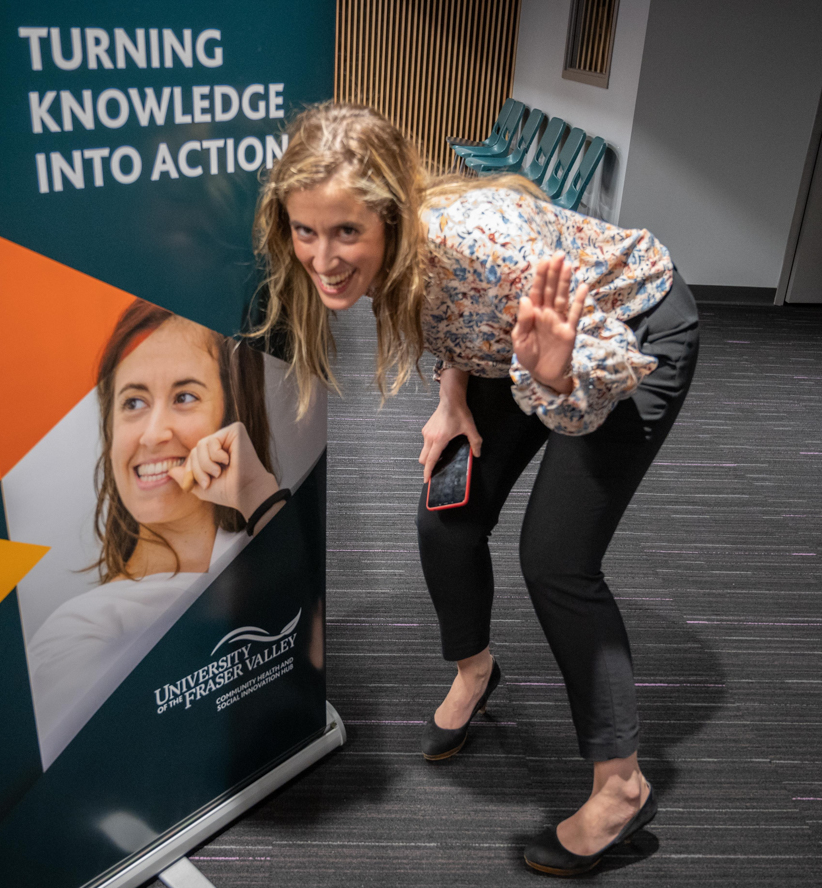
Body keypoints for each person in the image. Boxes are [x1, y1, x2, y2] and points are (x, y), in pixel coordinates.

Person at [253, 103, 699, 876]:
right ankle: (475, 670)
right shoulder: (415, 255)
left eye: (346, 232)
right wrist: (453, 398)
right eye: (305, 231)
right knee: (446, 518)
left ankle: (622, 788)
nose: (322, 258)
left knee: (556, 558)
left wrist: (553, 379)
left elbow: (583, 371)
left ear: (390, 216)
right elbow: (451, 311)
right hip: (520, 345)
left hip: (621, 337)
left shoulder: (493, 252)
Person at [28, 299, 287, 737]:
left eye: (185, 397)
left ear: (232, 415)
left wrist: (256, 494)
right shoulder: (80, 633)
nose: (153, 434)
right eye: (133, 403)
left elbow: (313, 648)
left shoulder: (269, 544)